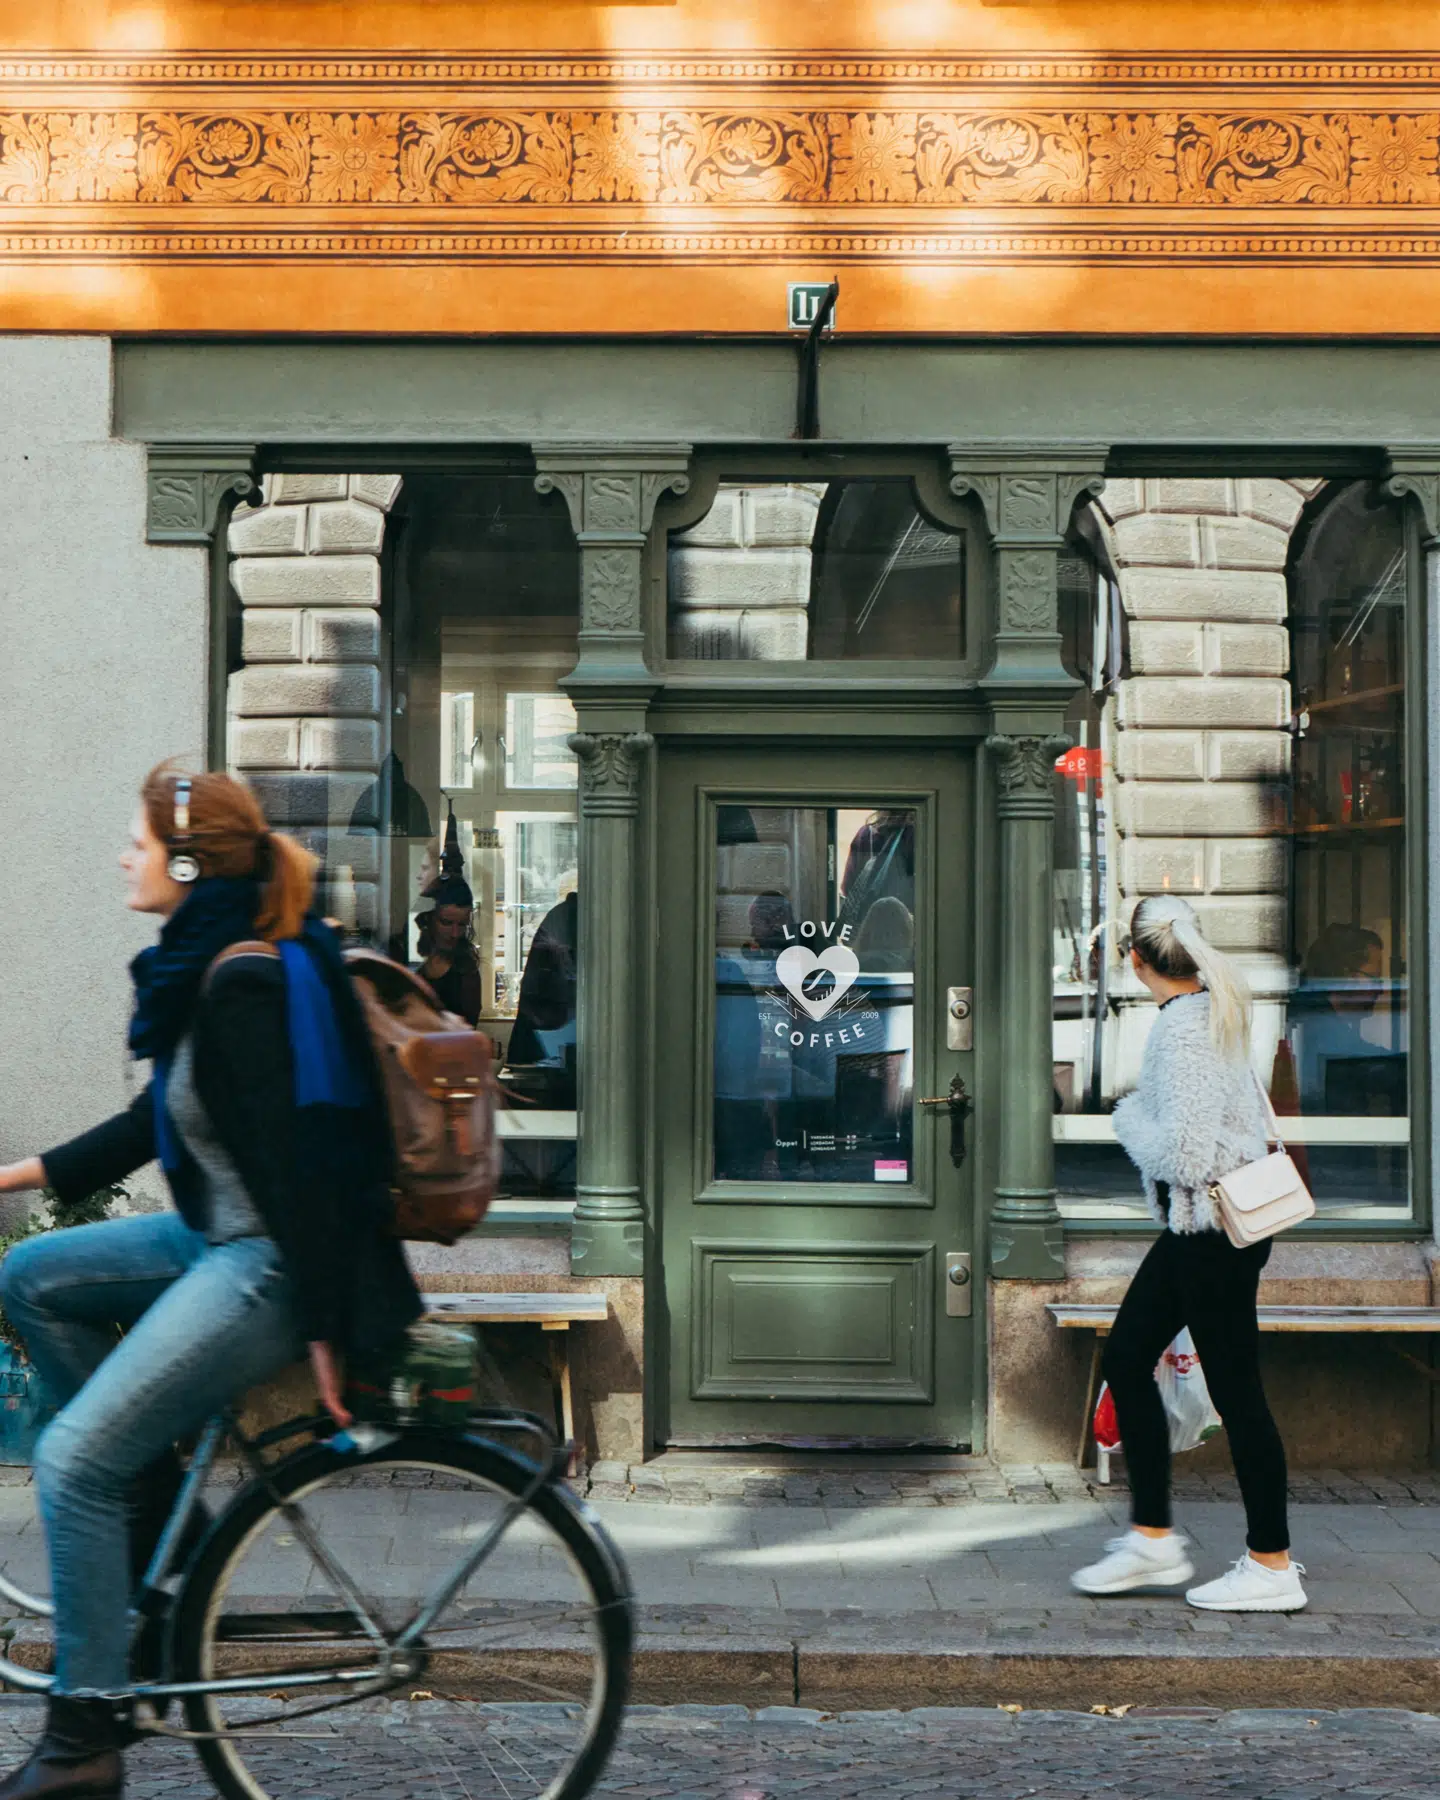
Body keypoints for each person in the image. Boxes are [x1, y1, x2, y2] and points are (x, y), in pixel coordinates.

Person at [0, 764, 422, 1799]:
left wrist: (329, 1330)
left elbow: (308, 1166)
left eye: (139, 843)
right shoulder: (217, 962)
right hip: (212, 1240)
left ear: (188, 861)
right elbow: (164, 1121)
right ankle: (150, 1502)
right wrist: (15, 1176)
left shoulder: (245, 980)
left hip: (261, 1263)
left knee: (70, 1462)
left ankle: (85, 1736)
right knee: (31, 1278)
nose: (124, 857)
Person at [1071, 895, 1305, 1614]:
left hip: (1209, 1235)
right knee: (1128, 1355)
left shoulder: (1184, 1028)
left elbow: (1181, 1149)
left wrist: (1125, 1116)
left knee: (1238, 1395)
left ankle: (1270, 1564)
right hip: (1200, 1233)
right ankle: (1152, 1538)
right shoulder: (1213, 1009)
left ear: (1135, 960)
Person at [415, 874, 483, 1026]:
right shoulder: (407, 955)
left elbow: (467, 1030)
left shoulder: (466, 971)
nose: (454, 933)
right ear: (429, 918)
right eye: (446, 923)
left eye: (462, 925)